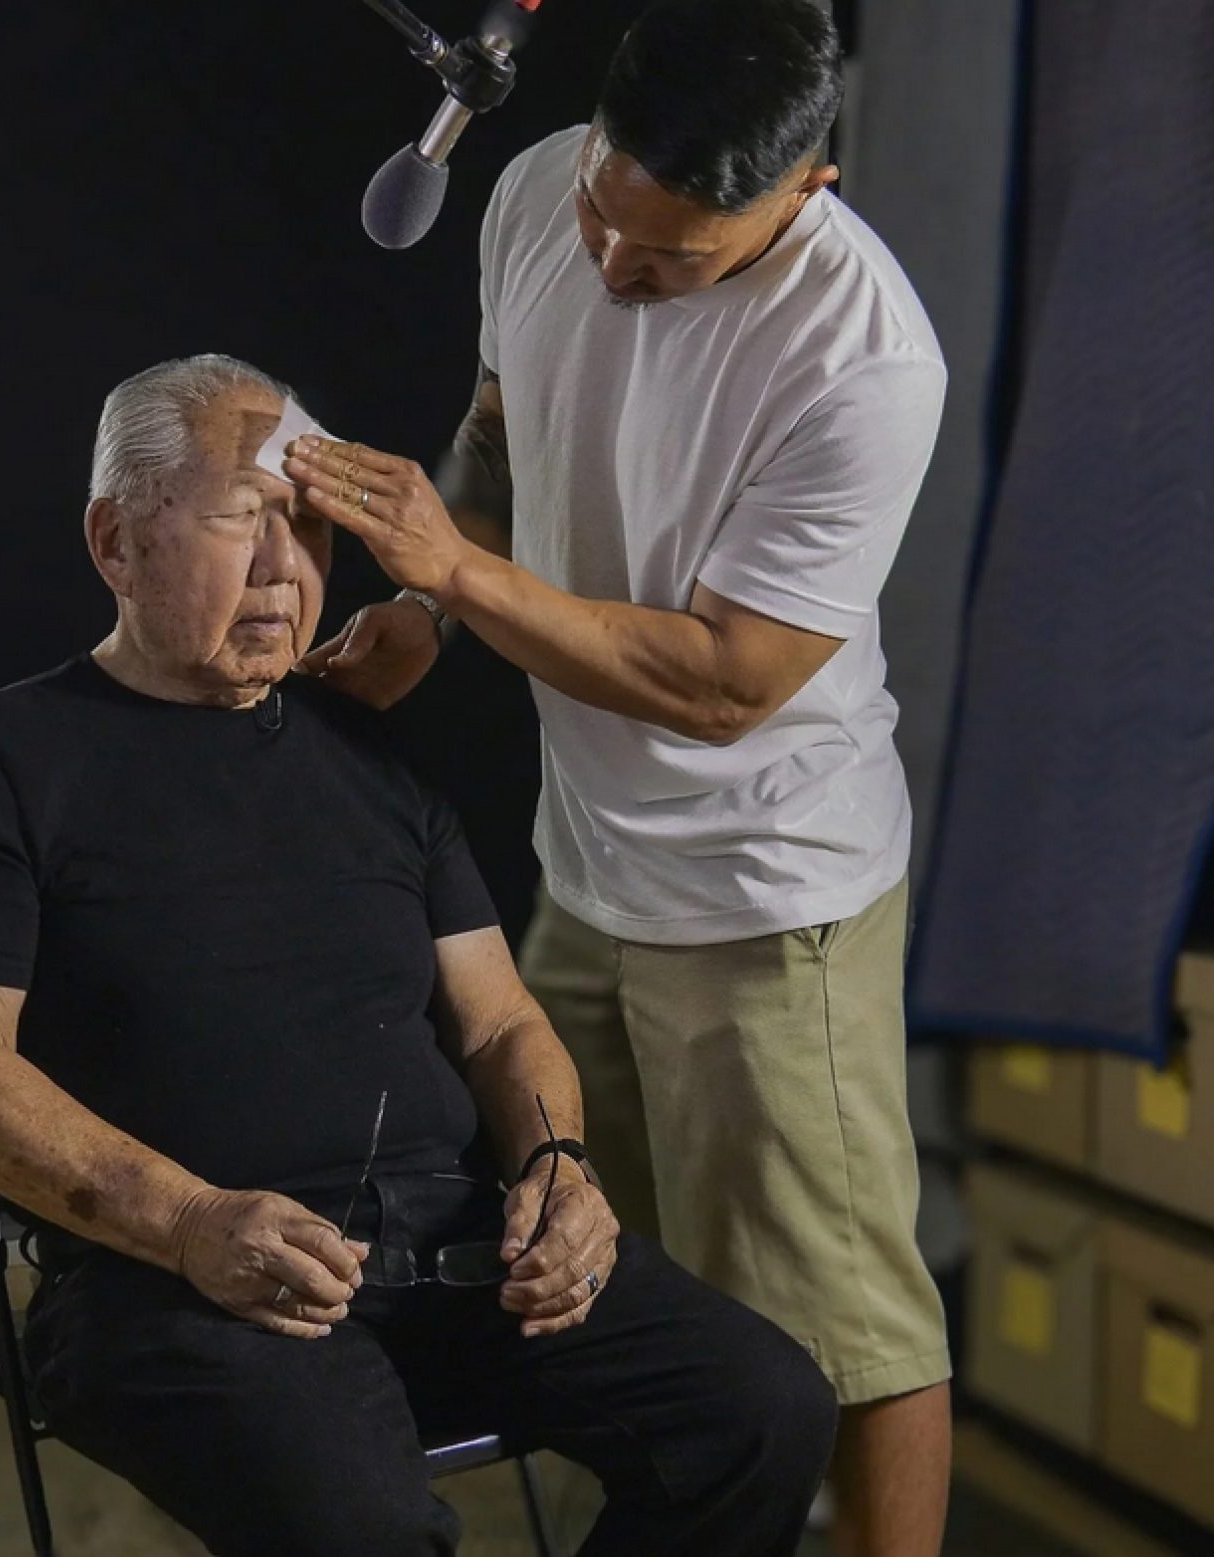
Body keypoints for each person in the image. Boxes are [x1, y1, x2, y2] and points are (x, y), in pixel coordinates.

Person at [0, 354, 835, 1556]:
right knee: (365, 1532)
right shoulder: (11, 755)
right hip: (174, 1282)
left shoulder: (362, 747)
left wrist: (558, 1166)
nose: (289, 572)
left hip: (452, 1248)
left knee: (762, 1410)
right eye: (244, 524)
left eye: (311, 530)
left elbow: (497, 1023)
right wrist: (186, 1220)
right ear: (117, 543)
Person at [282, 3, 951, 1551]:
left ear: (810, 190)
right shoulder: (534, 198)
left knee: (844, 1336)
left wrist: (452, 569)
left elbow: (722, 685)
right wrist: (427, 609)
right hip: (589, 872)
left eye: (670, 258)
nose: (613, 267)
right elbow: (503, 442)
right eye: (605, 212)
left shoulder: (862, 362)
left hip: (767, 897)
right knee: (605, 1292)